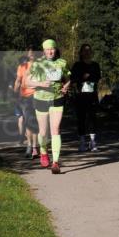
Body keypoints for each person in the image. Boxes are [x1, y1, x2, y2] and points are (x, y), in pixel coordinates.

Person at [27, 38, 71, 174]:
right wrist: (40, 84)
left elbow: (68, 78)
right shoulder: (37, 64)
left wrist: (66, 86)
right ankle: (44, 151)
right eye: (47, 49)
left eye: (52, 49)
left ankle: (55, 162)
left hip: (57, 98)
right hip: (41, 99)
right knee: (43, 132)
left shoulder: (62, 63)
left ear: (55, 49)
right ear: (44, 51)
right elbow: (27, 82)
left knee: (55, 130)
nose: (50, 51)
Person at [71, 43, 101, 152]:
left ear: (91, 52)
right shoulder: (77, 65)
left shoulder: (95, 65)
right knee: (81, 119)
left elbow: (97, 78)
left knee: (92, 118)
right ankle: (82, 143)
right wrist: (82, 78)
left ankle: (93, 142)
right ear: (81, 52)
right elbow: (73, 79)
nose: (87, 52)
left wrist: (89, 78)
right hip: (80, 95)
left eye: (89, 50)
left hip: (92, 94)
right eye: (85, 50)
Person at [14, 47, 39, 158]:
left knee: (36, 122)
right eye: (29, 53)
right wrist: (14, 93)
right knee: (28, 121)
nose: (31, 55)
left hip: (38, 96)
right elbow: (18, 80)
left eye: (33, 53)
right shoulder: (22, 66)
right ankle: (30, 146)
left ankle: (35, 146)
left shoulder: (40, 66)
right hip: (25, 97)